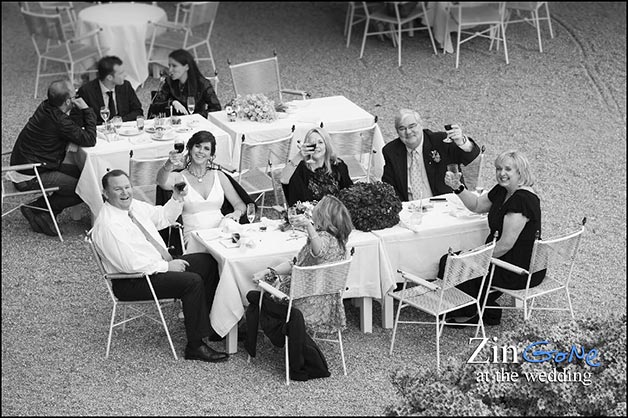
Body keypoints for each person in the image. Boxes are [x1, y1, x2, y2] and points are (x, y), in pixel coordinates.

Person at [91, 169, 228, 363]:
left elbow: (162, 216)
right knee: (192, 281)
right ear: (105, 193)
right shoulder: (109, 225)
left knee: (209, 261)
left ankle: (212, 325)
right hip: (132, 280)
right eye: (118, 189)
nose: (125, 193)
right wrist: (167, 267)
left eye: (127, 187)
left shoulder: (132, 207)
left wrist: (176, 198)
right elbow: (131, 264)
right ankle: (195, 346)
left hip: (154, 266)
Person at [245, 195, 354, 380]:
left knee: (253, 296)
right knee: (270, 279)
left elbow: (319, 253)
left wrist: (309, 227)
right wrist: (268, 271)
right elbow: (296, 263)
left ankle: (262, 330)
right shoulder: (340, 243)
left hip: (301, 305)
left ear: (324, 217)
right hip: (328, 305)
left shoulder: (323, 240)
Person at [440, 150, 545, 326]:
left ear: (520, 172)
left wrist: (474, 257)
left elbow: (505, 245)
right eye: (498, 168)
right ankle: (484, 308)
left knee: (454, 263)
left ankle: (469, 312)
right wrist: (458, 187)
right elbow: (476, 205)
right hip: (502, 257)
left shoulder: (522, 200)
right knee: (452, 260)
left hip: (517, 268)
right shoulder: (502, 191)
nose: (501, 173)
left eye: (508, 169)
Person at [10, 79, 97, 236]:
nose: (77, 94)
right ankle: (38, 208)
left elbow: (73, 128)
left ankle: (43, 211)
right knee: (85, 188)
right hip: (30, 175)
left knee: (85, 174)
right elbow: (89, 139)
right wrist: (87, 109)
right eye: (74, 93)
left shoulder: (46, 106)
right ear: (68, 101)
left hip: (28, 165)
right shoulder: (59, 120)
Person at [156, 131, 247, 253]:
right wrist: (169, 164)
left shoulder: (219, 175)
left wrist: (236, 213)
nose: (201, 151)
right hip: (195, 238)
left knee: (240, 243)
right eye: (197, 146)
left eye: (206, 149)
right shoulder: (179, 177)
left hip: (221, 231)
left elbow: (239, 204)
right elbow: (161, 181)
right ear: (190, 149)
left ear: (211, 155)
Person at [382, 108, 481, 201]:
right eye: (402, 128)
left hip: (445, 205)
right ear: (397, 131)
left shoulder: (440, 141)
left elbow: (471, 156)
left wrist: (461, 141)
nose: (408, 132)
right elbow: (389, 187)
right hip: (411, 209)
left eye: (412, 126)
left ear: (421, 125)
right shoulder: (391, 151)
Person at [286, 127, 353, 206]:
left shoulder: (338, 166)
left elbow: (349, 193)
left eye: (320, 142)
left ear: (326, 145)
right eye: (312, 143)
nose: (316, 146)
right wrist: (299, 155)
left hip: (336, 215)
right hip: (310, 216)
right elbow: (284, 180)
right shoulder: (299, 170)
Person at [148, 49, 221, 118]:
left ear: (186, 67)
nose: (170, 70)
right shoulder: (169, 82)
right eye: (169, 65)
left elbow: (216, 108)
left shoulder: (202, 84)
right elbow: (155, 105)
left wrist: (197, 116)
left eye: (174, 66)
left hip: (195, 124)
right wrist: (172, 103)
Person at [73, 56, 143, 125]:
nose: (125, 75)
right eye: (121, 73)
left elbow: (138, 111)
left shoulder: (125, 86)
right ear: (109, 77)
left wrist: (120, 120)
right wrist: (104, 125)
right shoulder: (86, 91)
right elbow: (78, 120)